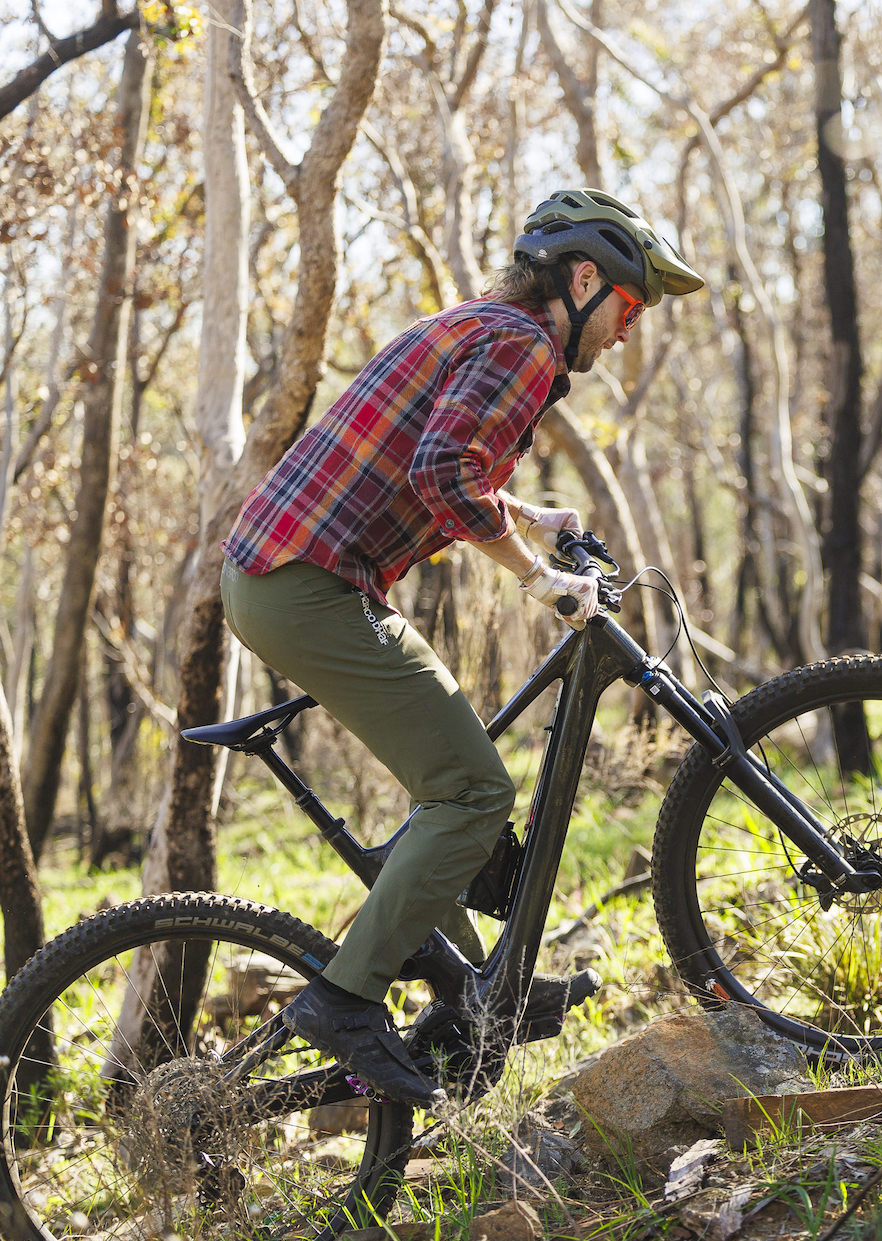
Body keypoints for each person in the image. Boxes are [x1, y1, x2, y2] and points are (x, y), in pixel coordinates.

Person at [218, 189, 706, 1109]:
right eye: (631, 310)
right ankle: (345, 997)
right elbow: (443, 475)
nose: (628, 334)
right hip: (305, 582)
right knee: (474, 788)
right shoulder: (523, 344)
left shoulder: (485, 326)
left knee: (461, 775)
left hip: (293, 575)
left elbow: (435, 453)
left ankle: (485, 991)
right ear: (585, 280)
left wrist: (533, 518)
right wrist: (536, 575)